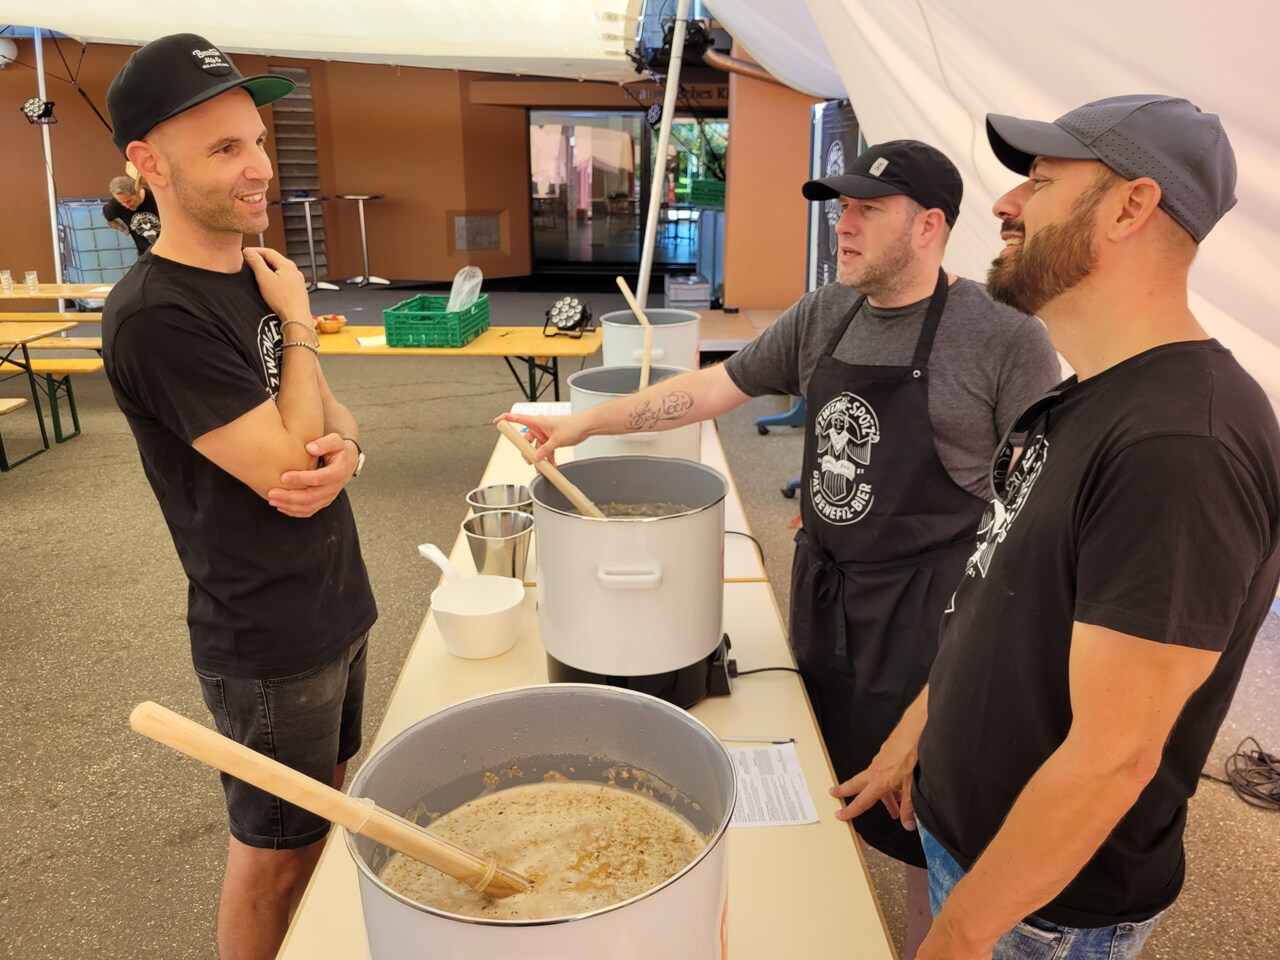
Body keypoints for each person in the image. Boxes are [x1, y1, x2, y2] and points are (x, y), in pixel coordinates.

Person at [499, 139, 1062, 957]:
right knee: (817, 782)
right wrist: (579, 424)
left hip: (928, 626)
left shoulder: (1004, 339)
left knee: (921, 827)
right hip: (827, 601)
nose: (845, 225)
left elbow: (1030, 527)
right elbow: (709, 390)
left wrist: (965, 680)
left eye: (870, 209)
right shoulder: (823, 313)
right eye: (843, 208)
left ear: (930, 225)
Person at [837, 95, 1280, 960]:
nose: (1005, 205)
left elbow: (1113, 758)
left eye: (1037, 182)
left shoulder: (1181, 444)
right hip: (970, 842)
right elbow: (999, 598)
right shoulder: (1085, 396)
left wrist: (961, 933)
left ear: (1130, 206)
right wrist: (915, 735)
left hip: (1041, 910)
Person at [100, 34, 377, 960]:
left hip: (335, 600)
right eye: (224, 149)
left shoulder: (250, 277)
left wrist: (346, 452)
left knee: (330, 805)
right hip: (264, 635)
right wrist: (299, 316)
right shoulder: (156, 315)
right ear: (148, 163)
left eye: (257, 140)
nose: (259, 167)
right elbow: (289, 458)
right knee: (275, 855)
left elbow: (327, 422)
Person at [101, 173, 162, 252]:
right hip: (145, 253)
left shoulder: (155, 199)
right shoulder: (115, 205)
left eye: (129, 201)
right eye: (121, 202)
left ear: (138, 191)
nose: (126, 205)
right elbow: (107, 216)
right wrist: (126, 231)